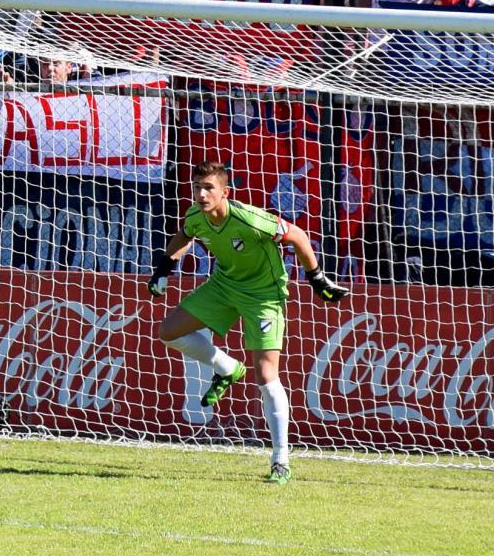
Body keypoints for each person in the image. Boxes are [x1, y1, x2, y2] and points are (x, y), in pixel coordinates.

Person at [148, 160, 347, 484]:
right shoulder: (196, 216)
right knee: (169, 331)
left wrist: (317, 278)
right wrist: (164, 267)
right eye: (197, 186)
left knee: (266, 374)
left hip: (264, 295)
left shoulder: (250, 218)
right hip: (225, 285)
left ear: (225, 192)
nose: (201, 193)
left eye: (208, 187)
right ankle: (227, 368)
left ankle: (280, 459)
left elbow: (296, 234)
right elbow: (184, 235)